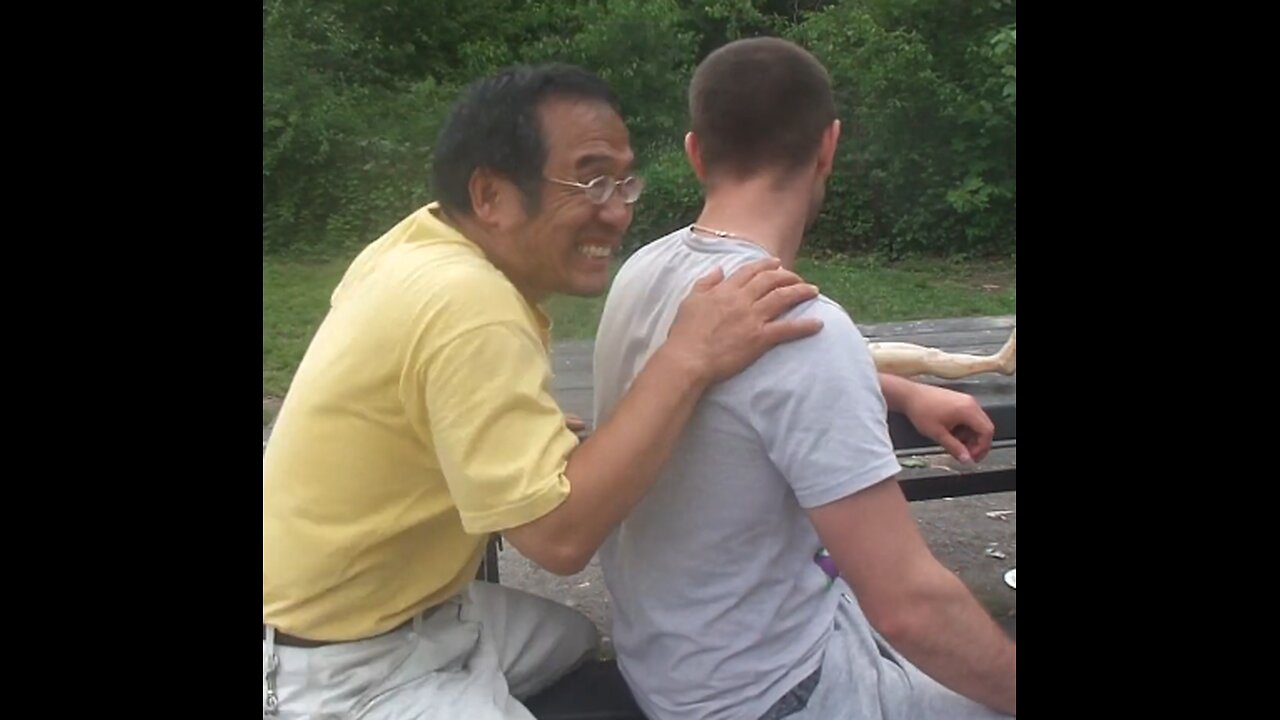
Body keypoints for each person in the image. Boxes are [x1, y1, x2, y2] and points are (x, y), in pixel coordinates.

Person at [261, 62, 827, 719]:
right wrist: (688, 357)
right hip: (341, 658)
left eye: (622, 180)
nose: (616, 212)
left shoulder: (420, 242)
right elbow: (559, 542)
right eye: (589, 180)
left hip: (396, 606)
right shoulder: (466, 301)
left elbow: (409, 397)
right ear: (492, 195)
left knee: (574, 641)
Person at [592, 37, 1016, 720]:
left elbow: (746, 391)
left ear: (697, 151)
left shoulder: (644, 271)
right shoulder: (807, 332)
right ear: (830, 147)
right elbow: (909, 606)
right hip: (782, 694)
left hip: (672, 669)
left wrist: (902, 390)